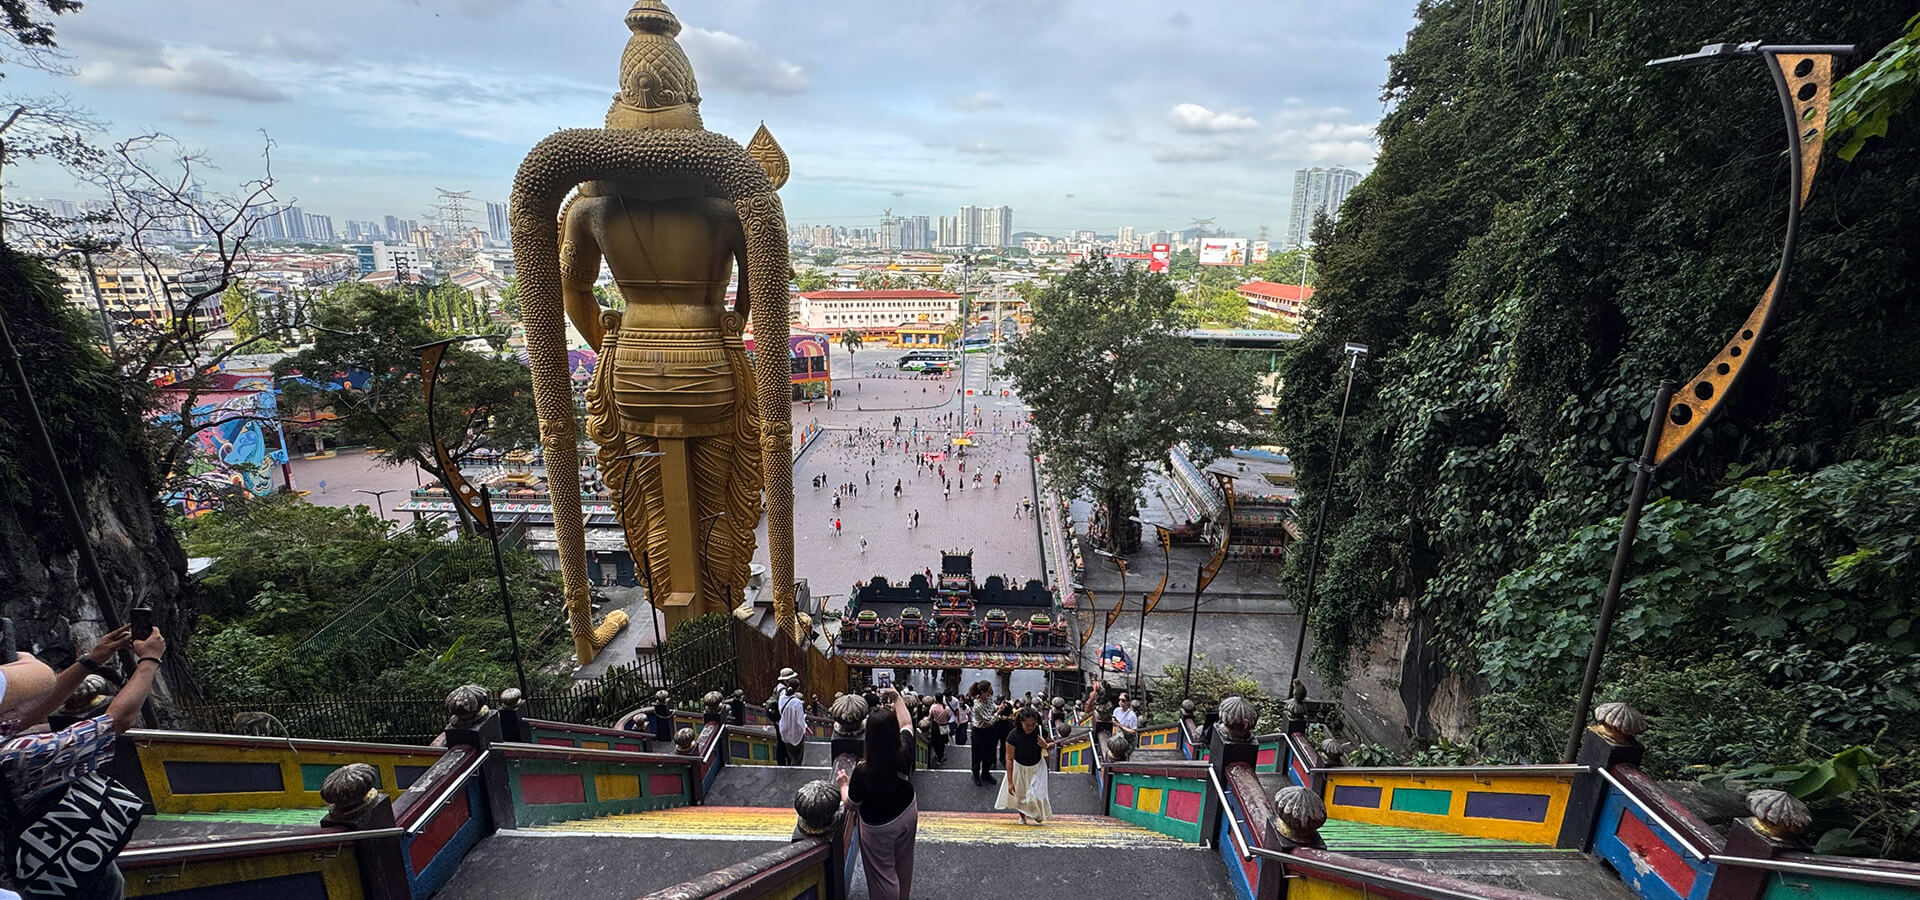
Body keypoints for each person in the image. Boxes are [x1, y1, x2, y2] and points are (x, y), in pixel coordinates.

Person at [0, 625, 167, 900]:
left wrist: (92, 659)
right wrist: (150, 661)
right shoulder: (18, 756)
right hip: (53, 877)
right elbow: (115, 721)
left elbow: (31, 710)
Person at [838, 691, 918, 900]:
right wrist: (897, 698)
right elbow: (907, 723)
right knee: (904, 860)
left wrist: (843, 785)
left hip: (879, 825)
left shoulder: (863, 771)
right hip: (908, 809)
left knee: (882, 874)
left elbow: (850, 804)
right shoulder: (905, 750)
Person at [995, 708, 1054, 825]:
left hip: (1037, 766)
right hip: (1019, 767)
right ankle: (1023, 816)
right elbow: (1009, 759)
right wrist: (1010, 781)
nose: (1030, 727)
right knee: (1020, 795)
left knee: (1037, 793)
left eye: (1033, 724)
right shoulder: (1013, 736)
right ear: (1020, 722)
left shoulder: (1041, 731)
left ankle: (1035, 813)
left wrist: (1046, 745)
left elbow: (1052, 743)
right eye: (1027, 725)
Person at [966, 681, 1005, 786]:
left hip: (989, 731)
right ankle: (975, 775)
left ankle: (985, 773)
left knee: (989, 753)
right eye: (988, 690)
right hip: (979, 731)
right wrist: (999, 712)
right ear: (982, 692)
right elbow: (989, 720)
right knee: (977, 755)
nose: (990, 692)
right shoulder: (977, 706)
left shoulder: (988, 698)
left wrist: (998, 707)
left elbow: (992, 706)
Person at [776, 674, 807, 765]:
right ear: (797, 688)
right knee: (797, 758)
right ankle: (794, 775)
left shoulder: (781, 698)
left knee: (791, 754)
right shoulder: (797, 703)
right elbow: (800, 722)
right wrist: (804, 729)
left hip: (784, 731)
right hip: (796, 733)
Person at [927, 697, 951, 766]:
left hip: (935, 726)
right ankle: (940, 756)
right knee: (942, 742)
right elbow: (948, 717)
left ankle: (938, 755)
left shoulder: (933, 707)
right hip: (943, 726)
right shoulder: (946, 708)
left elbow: (930, 717)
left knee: (935, 741)